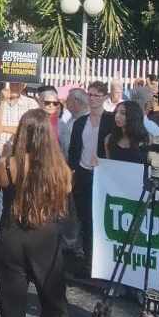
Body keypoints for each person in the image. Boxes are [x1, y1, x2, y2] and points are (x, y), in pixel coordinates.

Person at [0, 111, 75, 317]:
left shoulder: (9, 164)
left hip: (12, 239)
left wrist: (6, 158)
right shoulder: (60, 168)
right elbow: (67, 195)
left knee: (12, 309)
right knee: (54, 308)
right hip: (45, 240)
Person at [65, 82, 109, 256]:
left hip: (103, 175)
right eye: (90, 95)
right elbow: (74, 150)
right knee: (84, 217)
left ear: (105, 97)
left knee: (99, 218)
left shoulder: (111, 120)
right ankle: (87, 255)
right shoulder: (80, 122)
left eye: (96, 95)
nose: (92, 99)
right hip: (83, 173)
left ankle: (99, 256)